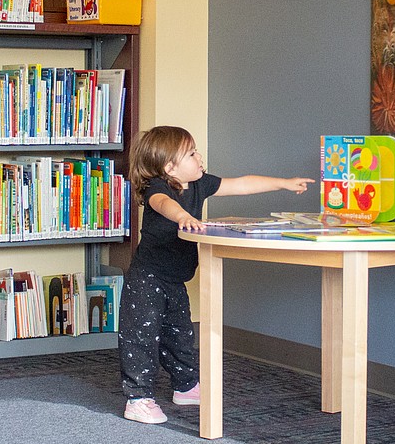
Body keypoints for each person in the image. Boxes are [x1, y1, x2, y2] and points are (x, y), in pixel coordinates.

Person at [120, 125, 313, 424]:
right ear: (170, 167)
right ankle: (138, 398)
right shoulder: (159, 187)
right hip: (147, 277)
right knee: (141, 337)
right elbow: (163, 205)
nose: (200, 157)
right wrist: (183, 216)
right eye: (191, 153)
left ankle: (185, 386)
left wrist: (284, 183)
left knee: (180, 335)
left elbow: (242, 184)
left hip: (175, 278)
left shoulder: (200, 184)